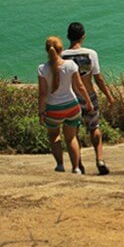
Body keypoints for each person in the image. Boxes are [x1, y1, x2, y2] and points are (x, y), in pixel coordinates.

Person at [62, 22, 115, 175]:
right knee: (94, 127)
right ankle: (99, 159)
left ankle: (78, 164)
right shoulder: (91, 54)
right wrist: (109, 96)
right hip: (89, 97)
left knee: (73, 132)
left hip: (71, 98)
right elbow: (98, 79)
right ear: (83, 36)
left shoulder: (62, 56)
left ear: (68, 37)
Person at [38, 36, 93, 174]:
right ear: (61, 49)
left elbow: (43, 94)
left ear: (47, 50)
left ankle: (60, 165)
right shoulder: (71, 65)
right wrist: (88, 102)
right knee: (72, 137)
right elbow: (80, 86)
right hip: (72, 106)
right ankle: (76, 168)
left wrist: (41, 112)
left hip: (53, 109)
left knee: (54, 136)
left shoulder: (42, 69)